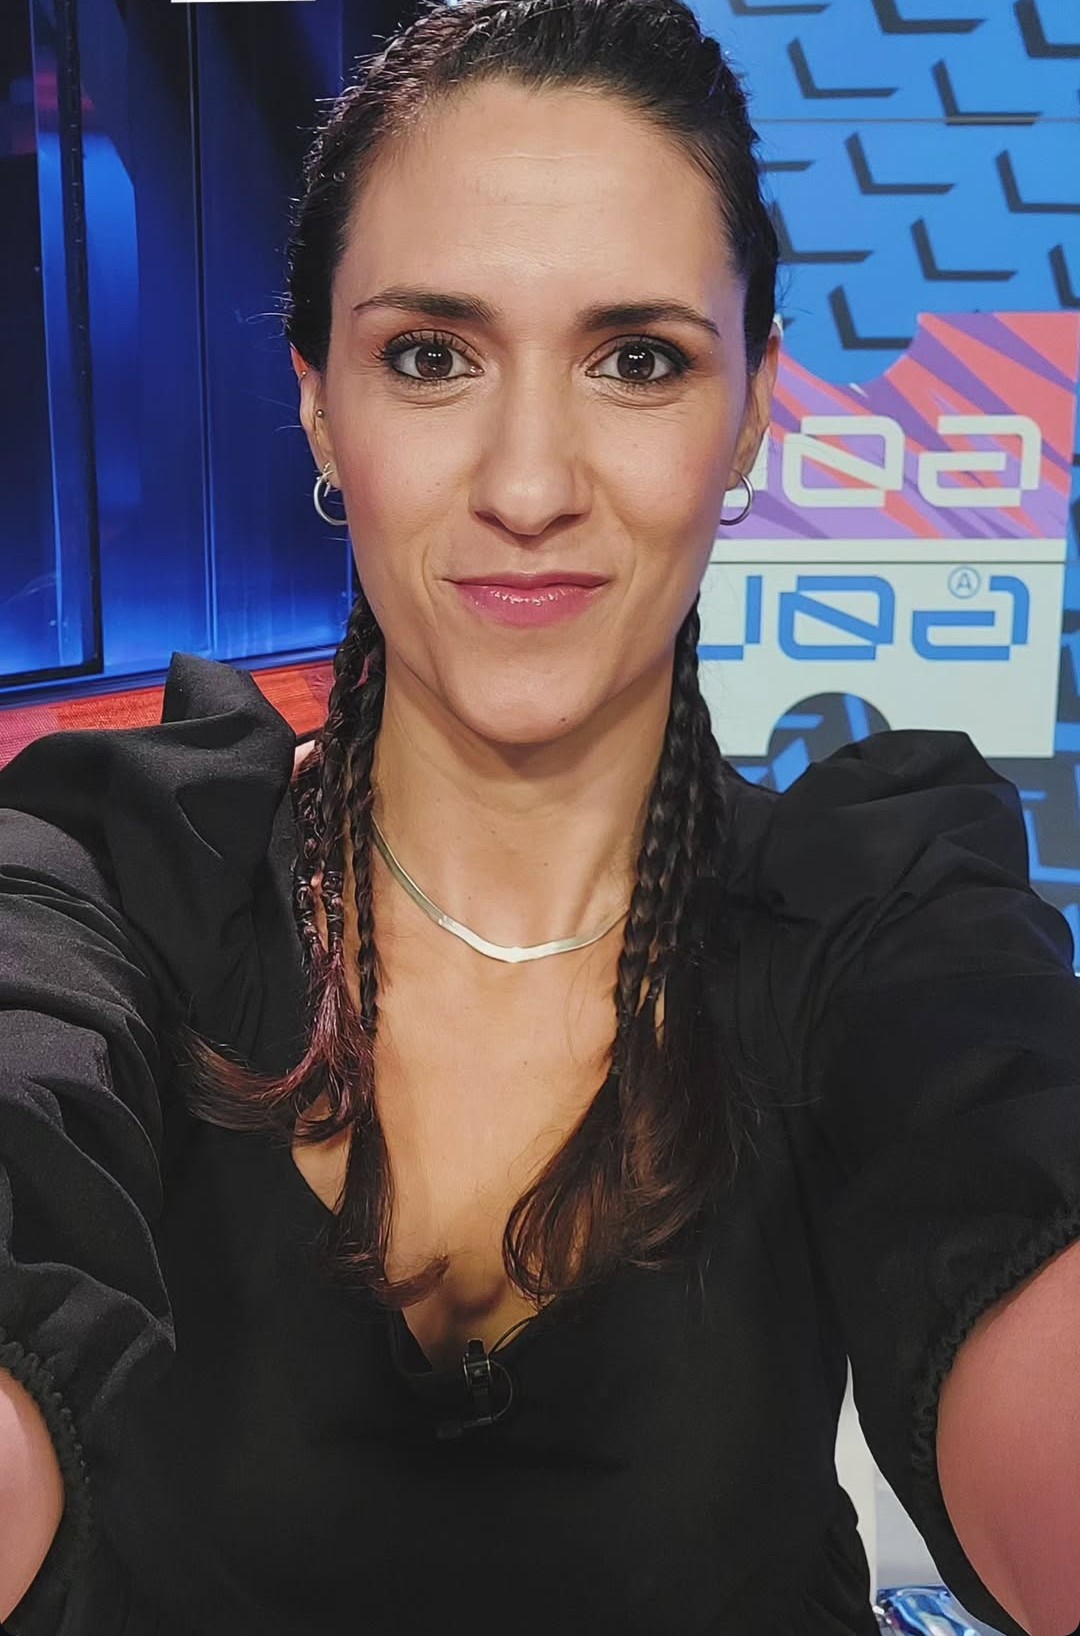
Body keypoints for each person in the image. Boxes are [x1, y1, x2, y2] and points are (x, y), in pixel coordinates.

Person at [3, 1, 1080, 1632]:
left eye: (637, 360)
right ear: (318, 403)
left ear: (754, 408)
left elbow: (1000, 1146)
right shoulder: (112, 870)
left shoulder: (878, 907)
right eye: (431, 357)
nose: (528, 485)